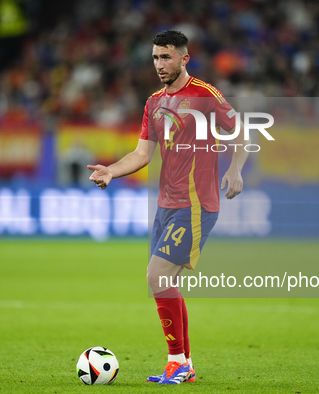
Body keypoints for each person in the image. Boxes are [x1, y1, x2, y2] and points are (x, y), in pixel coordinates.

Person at [88, 30, 249, 385]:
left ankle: (178, 361)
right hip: (165, 205)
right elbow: (142, 153)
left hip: (195, 204)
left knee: (156, 276)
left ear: (184, 58)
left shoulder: (206, 96)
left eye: (166, 57)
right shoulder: (154, 102)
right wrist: (111, 171)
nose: (160, 64)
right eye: (156, 58)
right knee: (166, 283)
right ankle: (183, 364)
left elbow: (241, 132)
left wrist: (235, 169)